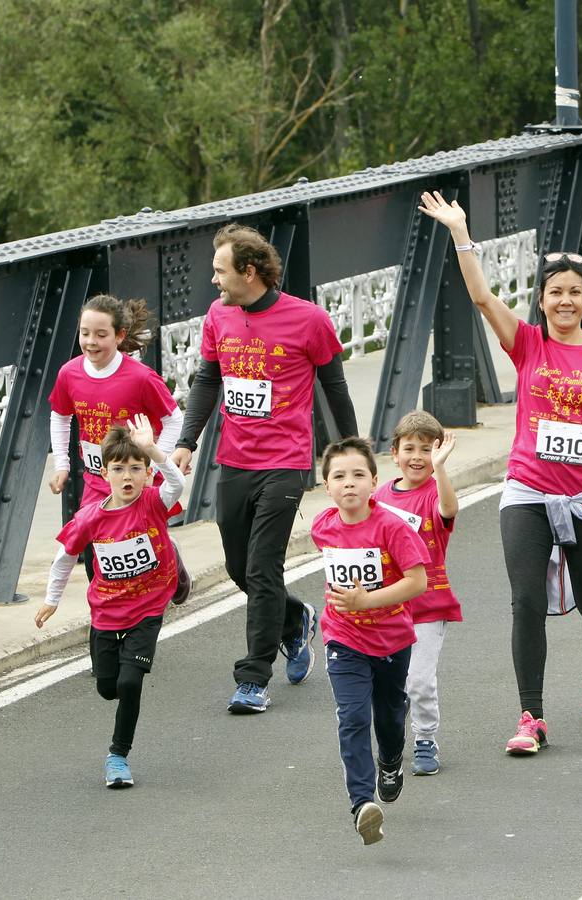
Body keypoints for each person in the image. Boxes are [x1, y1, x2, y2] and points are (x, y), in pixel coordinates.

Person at [417, 191, 582, 755]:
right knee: (525, 600)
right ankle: (530, 716)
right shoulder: (528, 344)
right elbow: (482, 298)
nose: (564, 301)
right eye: (555, 293)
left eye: (574, 293)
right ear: (541, 301)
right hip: (527, 491)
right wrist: (461, 233)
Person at [170, 223, 360, 714]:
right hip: (234, 458)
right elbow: (208, 378)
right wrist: (187, 440)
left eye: (220, 270)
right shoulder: (218, 316)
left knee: (262, 565)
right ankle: (295, 620)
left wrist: (351, 450)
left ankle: (253, 678)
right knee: (239, 566)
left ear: (249, 272)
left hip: (287, 460)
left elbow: (334, 386)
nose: (213, 280)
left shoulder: (308, 320)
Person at [35, 415, 185, 788]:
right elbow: (65, 557)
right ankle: (172, 554)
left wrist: (153, 449)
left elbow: (178, 483)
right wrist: (52, 600)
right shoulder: (90, 517)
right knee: (108, 688)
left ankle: (118, 756)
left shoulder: (153, 501)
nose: (128, 477)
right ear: (105, 474)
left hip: (149, 606)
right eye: (119, 469)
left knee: (131, 683)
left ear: (148, 473)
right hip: (106, 610)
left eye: (137, 468)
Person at [313, 437, 429, 844]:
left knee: (390, 717)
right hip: (344, 639)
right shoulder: (321, 527)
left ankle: (392, 760)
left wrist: (367, 599)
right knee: (353, 716)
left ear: (374, 481)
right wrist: (352, 606)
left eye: (358, 475)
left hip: (393, 640)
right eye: (339, 476)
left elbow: (418, 582)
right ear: (326, 486)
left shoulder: (391, 527)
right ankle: (362, 804)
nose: (349, 483)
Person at [47, 295, 188, 598]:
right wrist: (62, 464)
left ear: (120, 335)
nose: (91, 342)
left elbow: (174, 419)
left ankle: (170, 560)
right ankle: (110, 614)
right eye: (85, 333)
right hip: (98, 479)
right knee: (95, 546)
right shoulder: (69, 373)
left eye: (101, 335)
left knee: (139, 538)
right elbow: (60, 416)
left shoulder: (140, 378)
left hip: (138, 476)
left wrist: (151, 463)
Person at [371, 411, 459, 777]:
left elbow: (449, 509)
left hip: (428, 605)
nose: (418, 456)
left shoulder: (435, 494)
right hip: (386, 607)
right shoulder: (379, 496)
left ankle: (425, 738)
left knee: (420, 681)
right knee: (390, 684)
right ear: (395, 453)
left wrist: (441, 470)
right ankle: (398, 719)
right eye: (410, 448)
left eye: (427, 449)